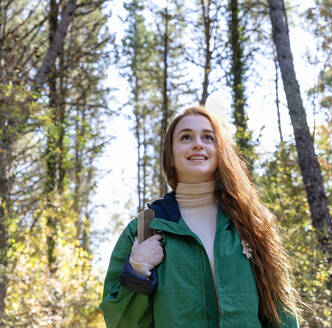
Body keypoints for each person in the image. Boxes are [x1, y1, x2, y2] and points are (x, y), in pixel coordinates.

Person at [100, 106, 300, 328]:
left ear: (219, 150)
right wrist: (138, 270)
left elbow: (282, 313)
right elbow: (120, 322)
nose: (198, 143)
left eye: (208, 137)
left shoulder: (252, 222)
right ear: (171, 155)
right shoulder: (145, 228)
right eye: (185, 137)